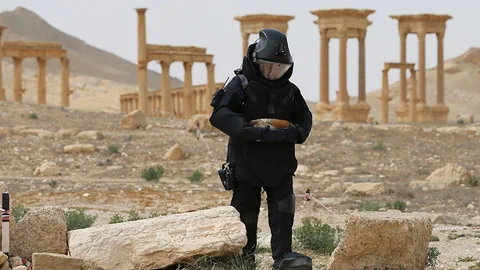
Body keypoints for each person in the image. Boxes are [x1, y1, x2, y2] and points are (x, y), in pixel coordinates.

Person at [209, 28, 313, 270]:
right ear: (255, 62)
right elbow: (220, 115)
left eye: (280, 68)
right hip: (246, 164)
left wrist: (294, 133)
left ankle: (283, 258)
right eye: (268, 67)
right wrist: (251, 132)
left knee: (283, 212)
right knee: (246, 214)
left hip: (280, 164)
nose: (273, 73)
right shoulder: (239, 84)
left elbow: (304, 117)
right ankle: (244, 261)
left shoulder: (290, 91)